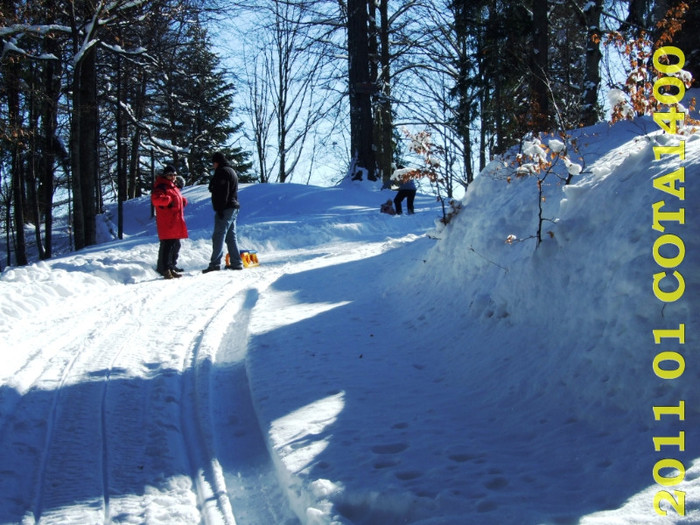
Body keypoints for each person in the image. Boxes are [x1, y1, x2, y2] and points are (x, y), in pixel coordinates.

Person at [202, 152, 244, 273]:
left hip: (226, 207)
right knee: (231, 236)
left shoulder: (222, 172)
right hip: (233, 206)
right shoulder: (231, 171)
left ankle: (215, 264)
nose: (213, 166)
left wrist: (220, 208)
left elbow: (222, 192)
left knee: (218, 236)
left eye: (213, 163)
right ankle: (236, 262)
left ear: (217, 162)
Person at [151, 165, 188, 279]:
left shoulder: (173, 187)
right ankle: (165, 269)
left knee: (175, 244)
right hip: (167, 221)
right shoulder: (161, 186)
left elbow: (175, 200)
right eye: (170, 175)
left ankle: (171, 267)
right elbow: (156, 199)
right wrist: (168, 200)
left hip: (175, 221)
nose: (173, 177)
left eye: (174, 175)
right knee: (168, 245)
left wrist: (182, 201)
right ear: (165, 175)